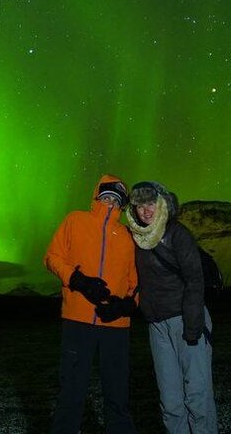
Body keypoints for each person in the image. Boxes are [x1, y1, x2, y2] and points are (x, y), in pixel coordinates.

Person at [42, 174, 140, 434]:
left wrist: (125, 306)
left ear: (122, 204)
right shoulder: (76, 220)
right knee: (71, 392)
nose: (110, 203)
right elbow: (52, 257)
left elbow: (136, 282)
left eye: (116, 200)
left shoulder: (128, 236)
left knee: (118, 393)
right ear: (97, 196)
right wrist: (78, 279)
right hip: (78, 321)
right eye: (107, 197)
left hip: (116, 326)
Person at [123, 180, 217, 434]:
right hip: (157, 326)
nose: (146, 210)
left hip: (187, 321)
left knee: (197, 395)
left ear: (163, 203)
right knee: (171, 401)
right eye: (140, 205)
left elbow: (195, 279)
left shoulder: (177, 233)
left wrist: (193, 324)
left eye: (151, 203)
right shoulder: (136, 238)